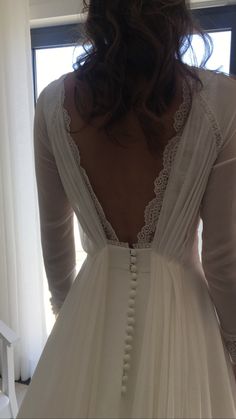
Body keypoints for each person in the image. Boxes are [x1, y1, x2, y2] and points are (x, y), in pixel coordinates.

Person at [18, 0, 236, 417]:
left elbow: (55, 240)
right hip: (182, 323)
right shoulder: (222, 102)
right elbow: (224, 261)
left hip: (91, 308)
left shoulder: (51, 104)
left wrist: (77, 321)